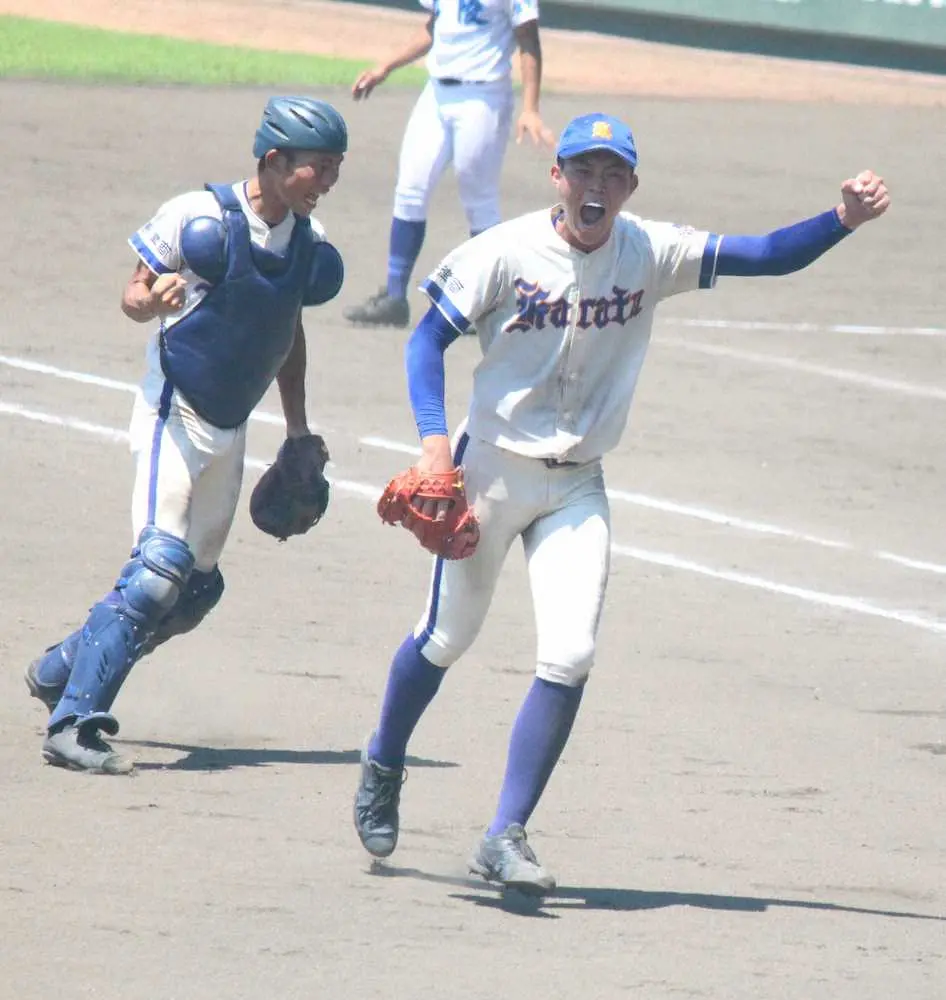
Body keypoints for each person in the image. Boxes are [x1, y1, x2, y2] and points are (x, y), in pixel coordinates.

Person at [352, 112, 890, 893]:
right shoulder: (502, 252)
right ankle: (385, 760)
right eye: (582, 171)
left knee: (569, 655)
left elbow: (766, 256)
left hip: (577, 483)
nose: (595, 187)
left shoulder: (650, 251)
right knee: (443, 638)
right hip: (492, 471)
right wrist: (436, 445)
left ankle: (505, 833)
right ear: (557, 178)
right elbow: (424, 339)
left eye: (612, 174)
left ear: (630, 187)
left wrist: (842, 218)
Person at [24, 96, 349, 775]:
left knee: (194, 590)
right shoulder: (197, 219)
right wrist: (155, 302)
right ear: (272, 160)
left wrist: (296, 431)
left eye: (334, 169)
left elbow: (285, 333)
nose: (327, 183)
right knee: (156, 573)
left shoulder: (304, 247)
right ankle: (73, 722)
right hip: (173, 412)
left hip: (230, 430)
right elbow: (132, 296)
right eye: (317, 169)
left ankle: (61, 667)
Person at [343, 0, 554, 330]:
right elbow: (435, 25)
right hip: (436, 93)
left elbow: (529, 40)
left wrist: (531, 107)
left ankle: (488, 302)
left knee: (478, 199)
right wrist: (386, 65)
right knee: (410, 188)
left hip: (484, 96)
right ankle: (394, 297)